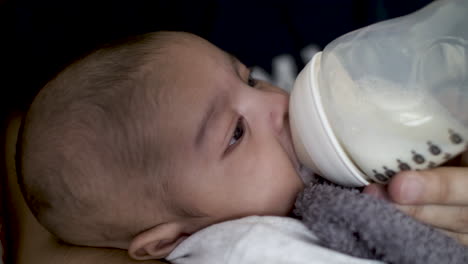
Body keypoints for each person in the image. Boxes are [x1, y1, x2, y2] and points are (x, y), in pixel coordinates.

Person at [15, 31, 468, 263]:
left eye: (249, 78)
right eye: (235, 133)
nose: (276, 101)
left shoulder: (298, 183)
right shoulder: (248, 249)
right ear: (171, 240)